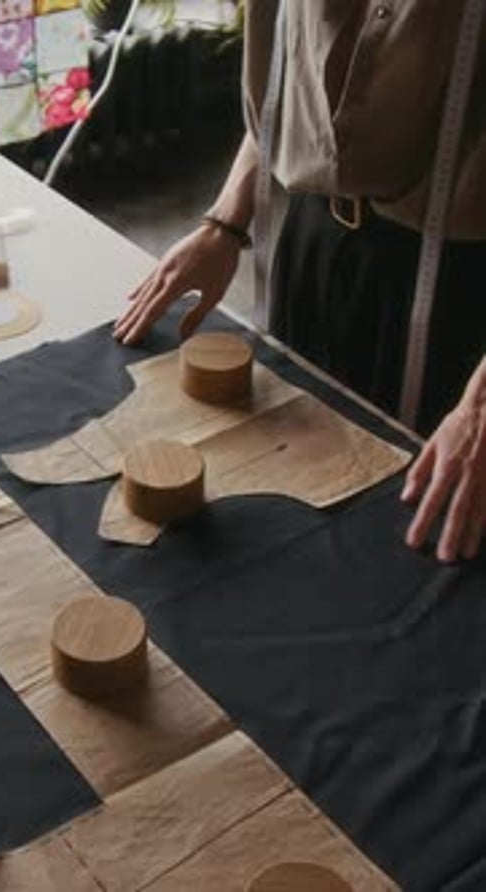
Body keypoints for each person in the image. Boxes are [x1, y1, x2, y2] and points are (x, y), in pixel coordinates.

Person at [113, 0, 486, 563]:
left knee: (429, 550)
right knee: (298, 500)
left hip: (461, 291)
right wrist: (227, 222)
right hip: (316, 242)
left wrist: (480, 404)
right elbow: (291, 70)